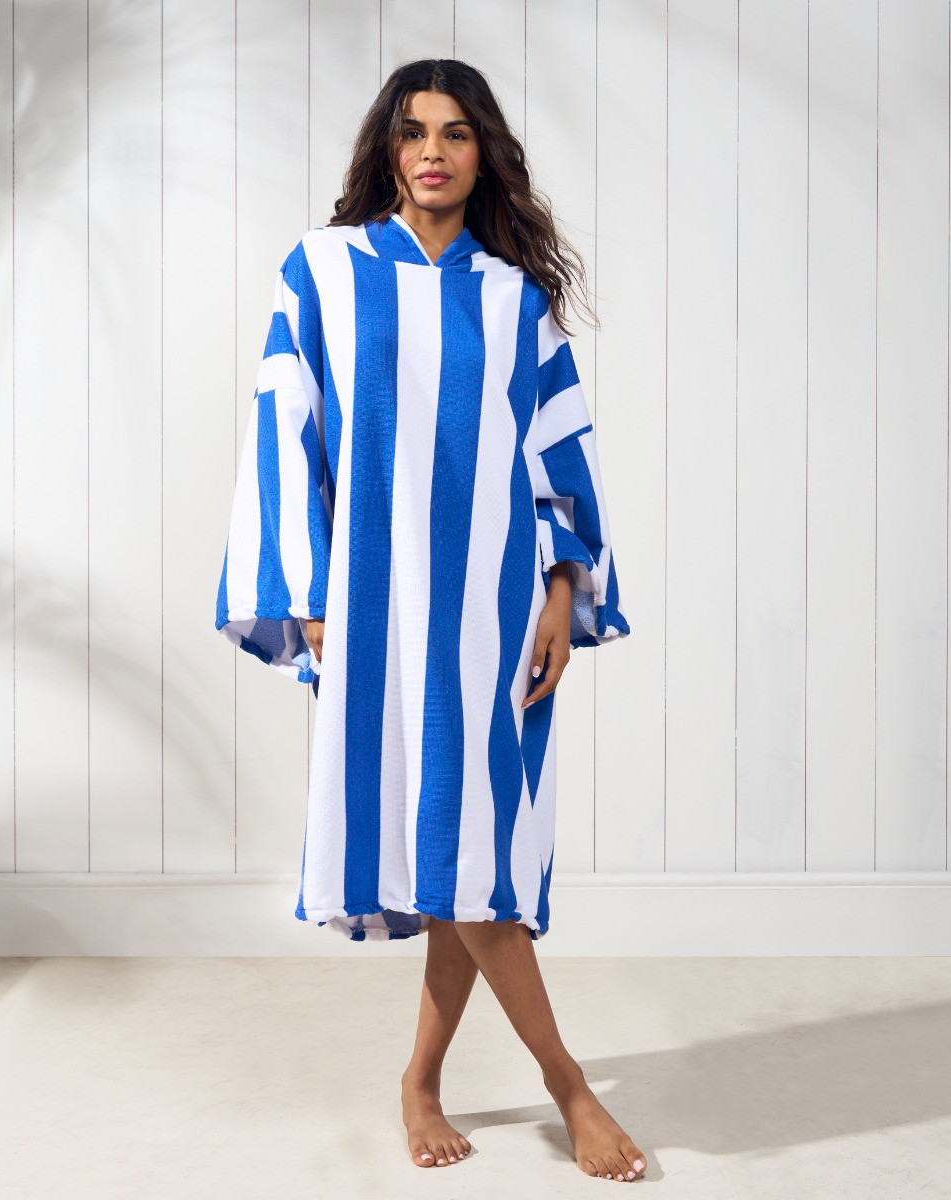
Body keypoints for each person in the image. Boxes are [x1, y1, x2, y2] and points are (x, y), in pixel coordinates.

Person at [215, 58, 645, 1183]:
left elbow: (558, 459)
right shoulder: (322, 271)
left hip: (492, 618)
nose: (434, 152)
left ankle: (439, 1083)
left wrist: (563, 594)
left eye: (456, 133)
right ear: (388, 149)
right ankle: (559, 1088)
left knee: (470, 854)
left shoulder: (514, 302)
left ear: (482, 152)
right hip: (372, 615)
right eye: (414, 132)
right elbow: (283, 431)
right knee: (453, 853)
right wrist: (306, 592)